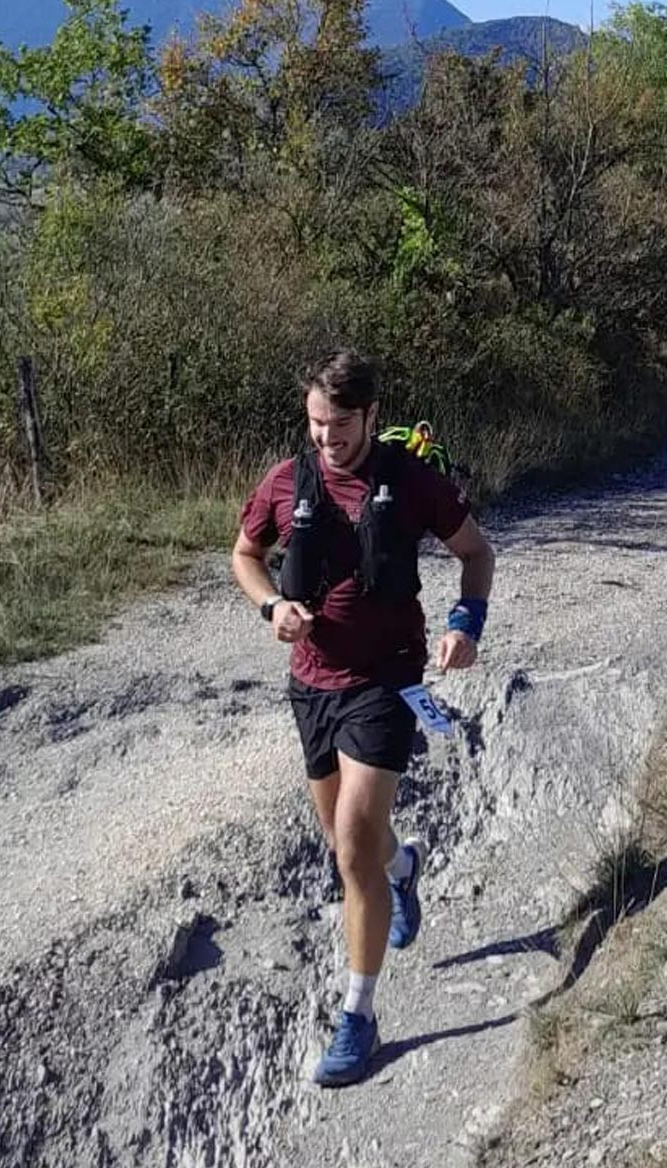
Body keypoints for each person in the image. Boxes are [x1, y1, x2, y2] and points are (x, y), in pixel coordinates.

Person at [231, 350, 496, 1088]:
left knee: (351, 849)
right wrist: (271, 606)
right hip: (312, 685)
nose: (325, 439)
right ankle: (403, 866)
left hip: (387, 679)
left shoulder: (412, 481)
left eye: (340, 426)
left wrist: (465, 624)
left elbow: (476, 553)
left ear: (372, 417)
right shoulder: (286, 483)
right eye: (316, 425)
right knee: (354, 846)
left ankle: (359, 1013)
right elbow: (245, 553)